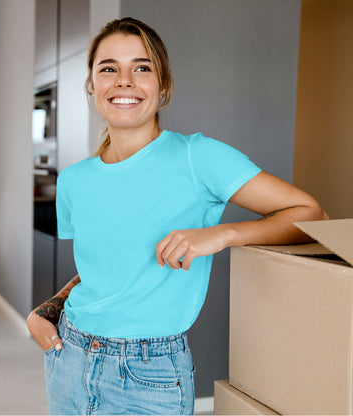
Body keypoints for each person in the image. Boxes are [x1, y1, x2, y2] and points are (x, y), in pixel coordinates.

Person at [27, 17, 328, 415]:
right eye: (108, 68)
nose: (124, 80)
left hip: (149, 374)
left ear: (163, 86)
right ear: (92, 86)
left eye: (142, 67)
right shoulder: (73, 181)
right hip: (69, 358)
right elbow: (103, 272)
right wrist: (45, 310)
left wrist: (221, 235)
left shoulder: (198, 157)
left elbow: (312, 215)